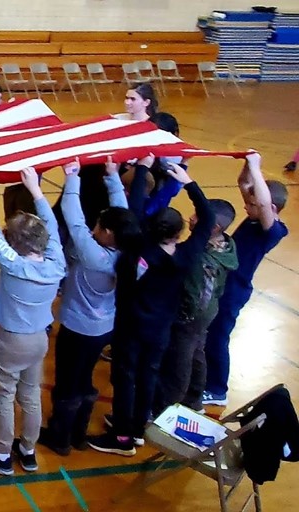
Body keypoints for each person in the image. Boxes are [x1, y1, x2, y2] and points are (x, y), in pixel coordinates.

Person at [87, 155, 212, 457]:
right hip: (160, 329)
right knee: (149, 374)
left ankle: (121, 437)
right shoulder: (186, 255)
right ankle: (139, 426)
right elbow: (207, 219)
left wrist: (142, 168)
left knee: (125, 377)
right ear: (179, 233)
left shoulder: (137, 248)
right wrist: (190, 185)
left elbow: (137, 207)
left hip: (130, 326)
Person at [0, 165, 66, 476]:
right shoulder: (56, 262)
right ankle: (28, 450)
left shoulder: (14, 265)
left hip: (11, 339)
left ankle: (1, 455)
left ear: (14, 243)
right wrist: (36, 191)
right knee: (31, 393)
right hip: (38, 339)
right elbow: (51, 229)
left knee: (4, 396)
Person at [38, 157, 140, 456]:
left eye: (100, 224)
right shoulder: (128, 251)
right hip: (103, 326)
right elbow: (125, 216)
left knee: (68, 383)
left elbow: (73, 218)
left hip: (77, 328)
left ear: (108, 233)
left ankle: (60, 436)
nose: (95, 225)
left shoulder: (94, 255)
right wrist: (111, 177)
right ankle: (78, 433)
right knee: (84, 379)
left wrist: (72, 177)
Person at [203, 152, 288, 406]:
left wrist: (257, 167)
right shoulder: (255, 217)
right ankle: (206, 375)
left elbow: (262, 204)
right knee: (208, 332)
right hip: (222, 284)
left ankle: (218, 389)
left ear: (271, 209)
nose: (246, 206)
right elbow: (244, 185)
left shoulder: (271, 231)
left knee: (218, 335)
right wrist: (248, 166)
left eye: (251, 205)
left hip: (233, 289)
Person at [155, 196, 237, 415]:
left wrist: (183, 317)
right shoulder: (227, 246)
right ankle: (194, 400)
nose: (191, 219)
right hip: (208, 311)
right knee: (196, 352)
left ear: (214, 227)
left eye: (197, 217)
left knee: (178, 360)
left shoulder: (199, 259)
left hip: (192, 315)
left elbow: (193, 294)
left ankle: (165, 408)